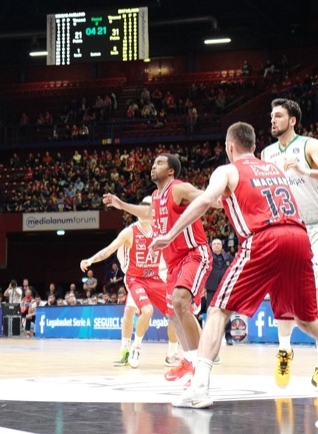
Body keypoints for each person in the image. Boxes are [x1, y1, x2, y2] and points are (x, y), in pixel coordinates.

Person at [151, 122, 318, 409]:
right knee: (308, 320)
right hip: (300, 238)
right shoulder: (273, 168)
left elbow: (206, 200)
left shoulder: (227, 170)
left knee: (217, 309)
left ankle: (199, 386)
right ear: (253, 146)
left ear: (229, 147)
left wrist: (170, 234)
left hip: (263, 238)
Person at [261, 98, 318, 393]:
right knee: (282, 297)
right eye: (271, 116)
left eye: (279, 116)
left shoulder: (309, 145)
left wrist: (305, 171)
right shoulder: (267, 153)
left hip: (313, 228)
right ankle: (284, 350)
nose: (273, 120)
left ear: (293, 120)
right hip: (283, 229)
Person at [104, 154, 211, 382]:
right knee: (174, 314)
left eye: (159, 163)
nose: (153, 166)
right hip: (173, 263)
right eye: (153, 164)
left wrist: (228, 197)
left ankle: (202, 367)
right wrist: (121, 204)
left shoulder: (178, 188)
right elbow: (147, 213)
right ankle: (190, 361)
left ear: (171, 171)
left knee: (181, 303)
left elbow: (207, 199)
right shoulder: (156, 196)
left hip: (193, 253)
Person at [81, 196, 170, 369]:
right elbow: (109, 250)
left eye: (149, 206)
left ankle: (182, 354)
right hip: (135, 279)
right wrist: (91, 259)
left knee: (175, 312)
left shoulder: (159, 230)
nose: (145, 209)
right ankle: (130, 348)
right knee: (138, 310)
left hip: (154, 278)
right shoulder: (130, 232)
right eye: (142, 206)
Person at [202, 238, 235, 345]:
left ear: (222, 245)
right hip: (211, 288)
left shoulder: (229, 258)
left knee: (225, 312)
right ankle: (211, 337)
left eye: (218, 244)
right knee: (211, 312)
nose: (216, 245)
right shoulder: (207, 258)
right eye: (214, 244)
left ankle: (228, 335)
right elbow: (203, 273)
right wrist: (203, 288)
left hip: (225, 289)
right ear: (211, 246)